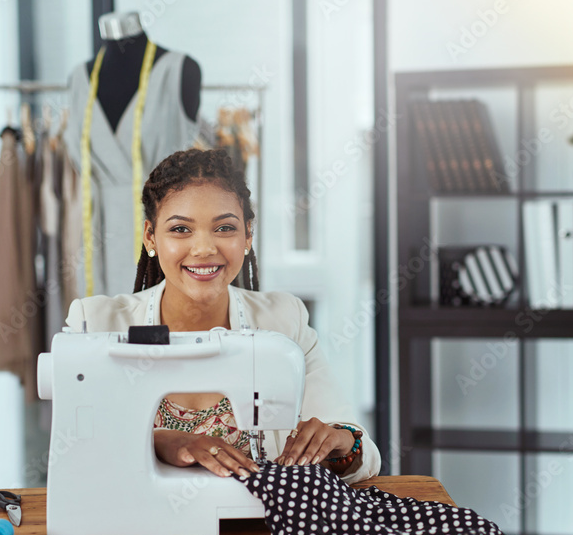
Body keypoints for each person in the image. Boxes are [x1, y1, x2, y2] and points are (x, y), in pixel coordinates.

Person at [64, 148, 381, 483]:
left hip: (256, 533)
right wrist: (161, 442)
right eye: (181, 230)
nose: (204, 249)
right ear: (150, 237)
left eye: (225, 228)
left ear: (248, 235)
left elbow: (365, 456)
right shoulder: (95, 325)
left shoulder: (284, 319)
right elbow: (79, 456)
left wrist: (344, 441)